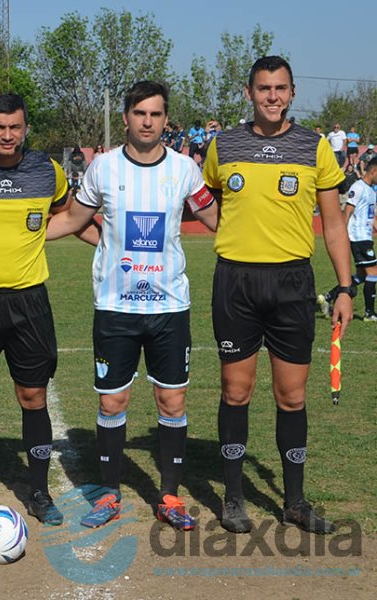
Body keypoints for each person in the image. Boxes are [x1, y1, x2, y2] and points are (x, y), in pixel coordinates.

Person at [45, 81, 219, 531]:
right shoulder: (103, 168)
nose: (147, 122)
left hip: (169, 307)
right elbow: (74, 219)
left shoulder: (184, 169)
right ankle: (109, 496)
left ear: (166, 120)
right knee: (112, 402)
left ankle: (170, 496)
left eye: (155, 114)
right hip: (115, 306)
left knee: (171, 400)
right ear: (126, 118)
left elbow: (217, 218)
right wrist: (18, 235)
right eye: (140, 113)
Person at [203, 56, 352, 535]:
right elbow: (209, 203)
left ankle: (295, 502)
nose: (272, 96)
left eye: (280, 88)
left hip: (292, 284)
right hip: (236, 282)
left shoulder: (314, 147)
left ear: (292, 93)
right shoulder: (223, 146)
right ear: (249, 93)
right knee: (236, 390)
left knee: (291, 396)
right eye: (264, 88)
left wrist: (345, 287)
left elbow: (333, 225)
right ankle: (233, 498)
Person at [0, 93, 98, 527]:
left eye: (15, 127)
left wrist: (112, 246)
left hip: (29, 301)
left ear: (25, 129)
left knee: (33, 396)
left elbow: (69, 216)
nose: (7, 135)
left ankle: (40, 492)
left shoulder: (48, 171)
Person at [318, 158, 377, 320]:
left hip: (365, 237)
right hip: (358, 238)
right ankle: (369, 313)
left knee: (361, 276)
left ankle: (328, 297)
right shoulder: (358, 187)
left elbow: (371, 216)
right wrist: (341, 236)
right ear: (373, 171)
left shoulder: (371, 191)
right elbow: (347, 212)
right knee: (374, 272)